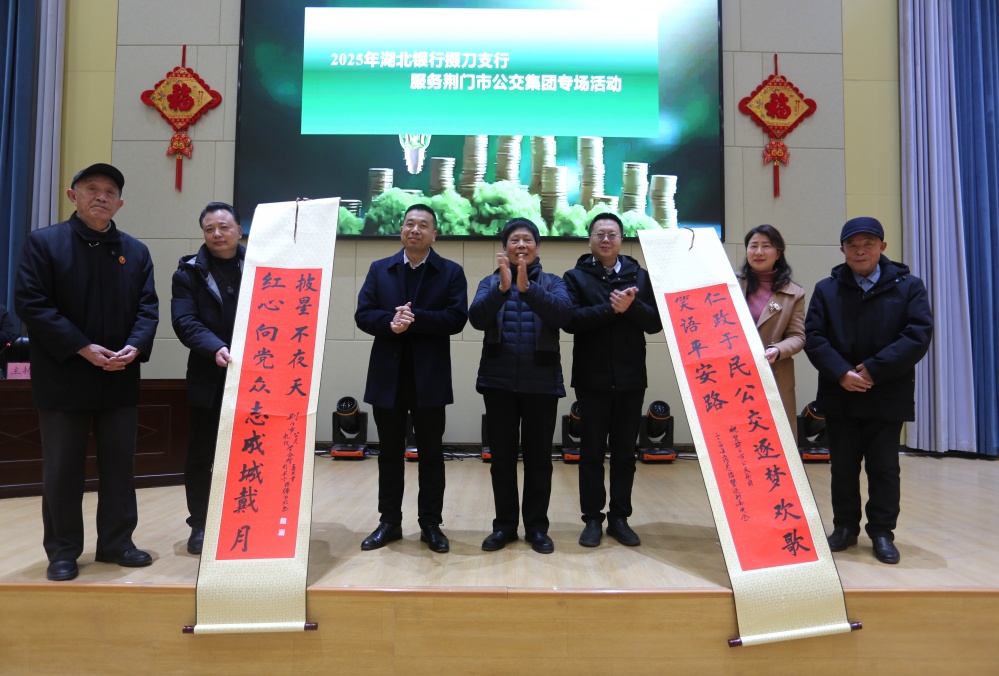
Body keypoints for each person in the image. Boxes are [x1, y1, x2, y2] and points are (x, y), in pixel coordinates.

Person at [14, 163, 158, 581]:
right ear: (71, 195)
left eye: (110, 191)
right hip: (64, 376)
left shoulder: (135, 251)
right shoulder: (45, 243)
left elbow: (148, 307)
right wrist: (83, 348)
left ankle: (117, 543)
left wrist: (136, 345)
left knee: (120, 467)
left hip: (119, 373)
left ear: (120, 204)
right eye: (91, 188)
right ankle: (63, 551)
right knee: (62, 469)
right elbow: (32, 303)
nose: (101, 196)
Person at [804, 216, 933, 565]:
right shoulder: (826, 289)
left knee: (884, 468)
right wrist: (841, 372)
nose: (860, 250)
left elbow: (917, 335)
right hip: (840, 393)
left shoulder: (909, 287)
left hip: (886, 393)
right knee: (842, 467)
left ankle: (882, 532)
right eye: (853, 245)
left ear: (882, 247)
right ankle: (844, 527)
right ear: (842, 249)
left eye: (868, 244)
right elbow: (814, 337)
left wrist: (873, 369)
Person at [354, 204, 468, 553]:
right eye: (409, 224)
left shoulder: (450, 272)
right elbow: (363, 314)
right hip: (387, 378)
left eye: (423, 225)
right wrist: (390, 323)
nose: (415, 230)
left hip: (429, 378)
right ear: (401, 230)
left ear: (435, 234)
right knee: (389, 454)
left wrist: (414, 319)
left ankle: (430, 524)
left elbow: (456, 318)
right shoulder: (380, 269)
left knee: (431, 454)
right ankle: (389, 522)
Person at [469, 217, 572, 554]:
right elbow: (477, 319)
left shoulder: (554, 282)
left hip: (541, 384)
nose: (521, 245)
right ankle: (504, 527)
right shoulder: (490, 282)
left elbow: (564, 316)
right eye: (515, 240)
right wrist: (502, 290)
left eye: (527, 240)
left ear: (538, 247)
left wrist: (530, 290)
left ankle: (537, 528)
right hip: (498, 383)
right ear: (505, 248)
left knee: (539, 460)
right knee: (501, 460)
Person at [562, 213, 662, 548]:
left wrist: (631, 307)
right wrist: (612, 309)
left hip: (631, 378)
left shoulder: (641, 276)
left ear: (622, 240)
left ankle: (620, 518)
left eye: (612, 234)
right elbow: (571, 320)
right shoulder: (575, 277)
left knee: (624, 454)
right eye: (599, 234)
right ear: (589, 239)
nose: (606, 239)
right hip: (591, 379)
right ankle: (592, 518)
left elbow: (655, 323)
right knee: (590, 453)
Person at [171, 202, 244, 555]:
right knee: (202, 455)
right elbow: (184, 322)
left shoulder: (262, 267)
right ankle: (200, 524)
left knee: (250, 452)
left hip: (256, 377)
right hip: (208, 374)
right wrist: (215, 347)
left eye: (224, 227)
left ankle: (245, 519)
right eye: (209, 229)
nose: (217, 234)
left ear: (239, 231)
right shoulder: (188, 273)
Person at [737, 224, 806, 444]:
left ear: (778, 253)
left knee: (773, 442)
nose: (758, 252)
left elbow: (798, 336)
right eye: (753, 246)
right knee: (738, 441)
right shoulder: (729, 284)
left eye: (766, 246)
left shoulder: (794, 293)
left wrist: (778, 349)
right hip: (735, 374)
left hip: (773, 373)